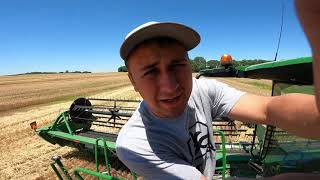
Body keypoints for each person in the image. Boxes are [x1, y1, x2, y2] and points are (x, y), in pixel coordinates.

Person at [116, 1, 320, 179]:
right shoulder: (134, 144)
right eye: (150, 72)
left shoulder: (202, 90)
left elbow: (267, 109)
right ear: (133, 80)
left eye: (177, 65)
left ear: (189, 64)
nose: (170, 87)